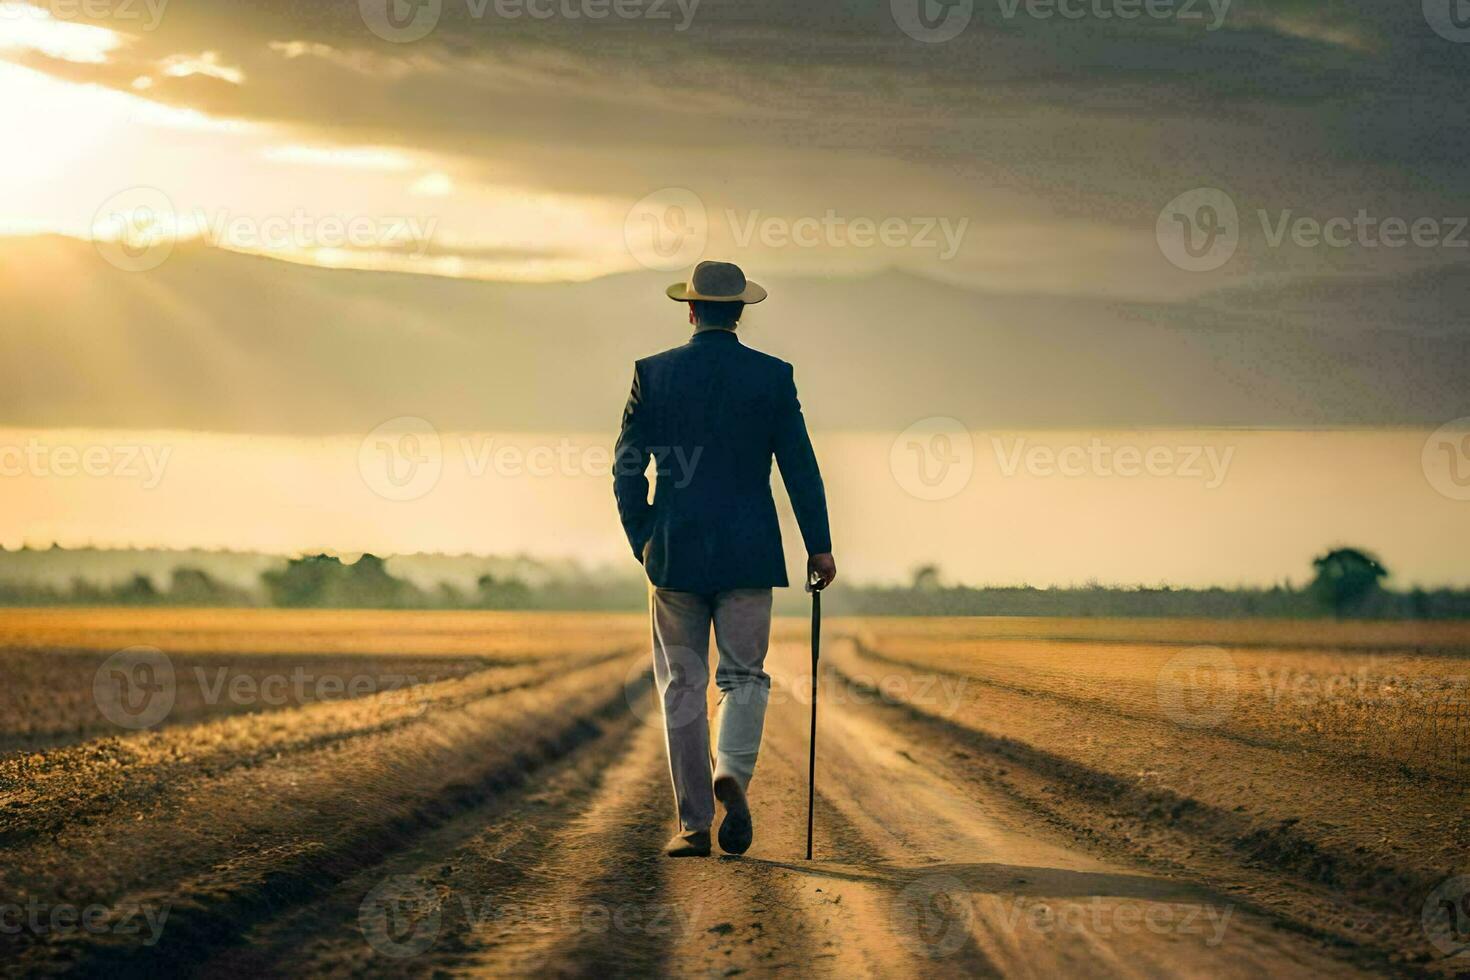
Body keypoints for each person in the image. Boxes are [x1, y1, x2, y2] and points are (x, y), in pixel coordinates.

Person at [613, 260, 836, 858]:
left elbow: (627, 469)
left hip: (675, 552)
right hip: (749, 551)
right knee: (744, 676)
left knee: (681, 686)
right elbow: (799, 466)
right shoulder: (772, 376)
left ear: (690, 309)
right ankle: (732, 767)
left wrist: (645, 539)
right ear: (740, 312)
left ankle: (693, 825)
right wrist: (819, 543)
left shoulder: (652, 374)